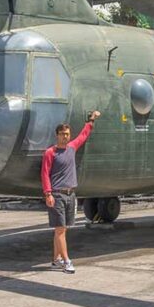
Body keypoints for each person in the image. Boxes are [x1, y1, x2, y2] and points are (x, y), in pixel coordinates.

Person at [42, 111, 101, 274]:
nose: (65, 137)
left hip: (70, 194)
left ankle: (55, 260)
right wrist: (48, 194)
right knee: (60, 230)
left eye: (67, 134)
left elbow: (84, 134)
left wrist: (91, 120)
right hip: (57, 195)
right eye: (62, 134)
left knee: (61, 230)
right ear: (57, 135)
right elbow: (45, 173)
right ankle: (67, 261)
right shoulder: (50, 153)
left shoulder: (72, 148)